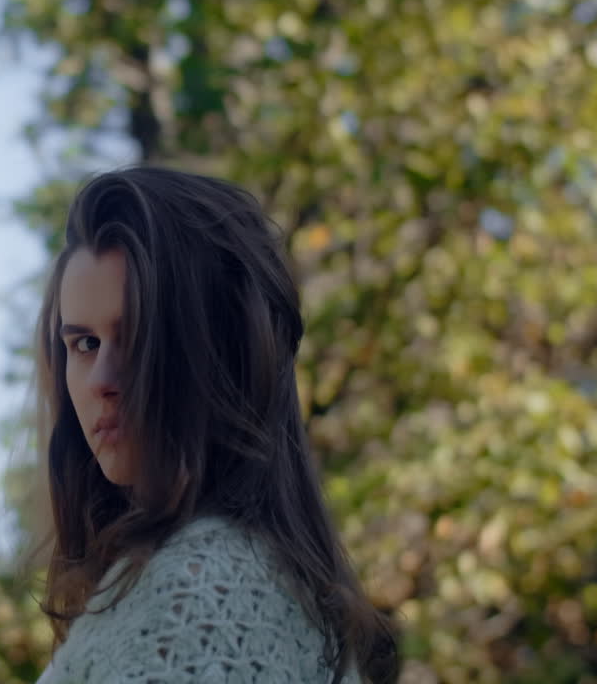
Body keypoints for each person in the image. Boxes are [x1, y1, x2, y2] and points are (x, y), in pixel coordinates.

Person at [23, 166, 401, 683]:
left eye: (136, 337)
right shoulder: (218, 579)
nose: (101, 380)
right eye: (84, 344)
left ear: (220, 354)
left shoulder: (203, 593)